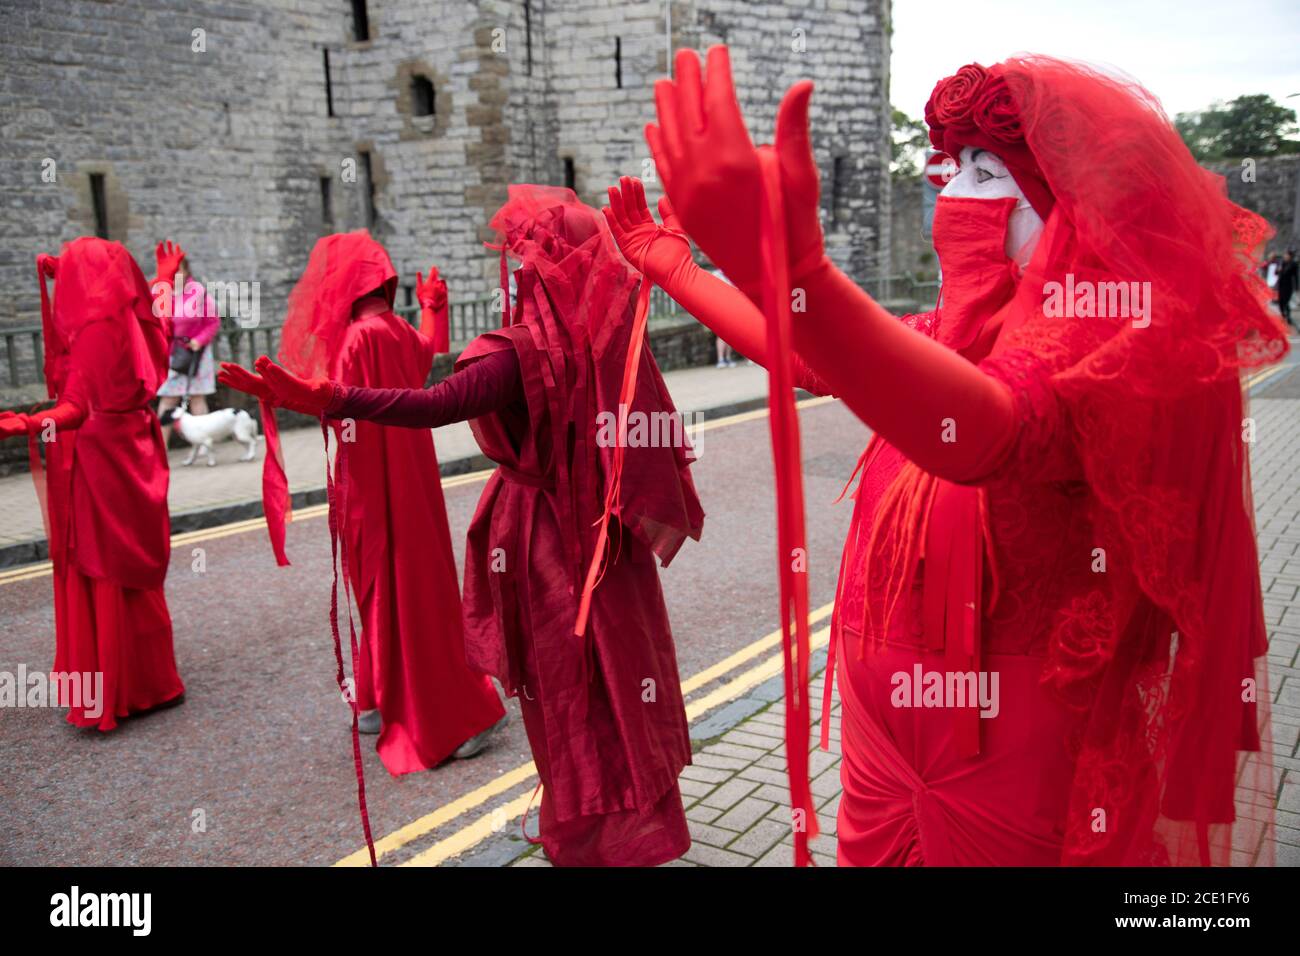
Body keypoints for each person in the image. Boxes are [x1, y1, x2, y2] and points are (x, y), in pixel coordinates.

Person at [641, 47, 1285, 866]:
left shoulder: (1112, 335)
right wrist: (679, 266)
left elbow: (990, 428)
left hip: (1010, 759)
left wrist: (803, 271)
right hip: (884, 747)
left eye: (985, 166)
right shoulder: (967, 325)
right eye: (952, 164)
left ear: (1066, 199)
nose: (951, 187)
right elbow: (816, 358)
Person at [223, 188, 705, 866]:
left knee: (568, 697)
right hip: (609, 541)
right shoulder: (614, 331)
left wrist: (330, 397)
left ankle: (590, 838)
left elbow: (434, 404)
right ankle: (629, 831)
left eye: (525, 255)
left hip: (546, 545)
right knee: (622, 681)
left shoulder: (517, 352)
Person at [221, 232, 505, 777]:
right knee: (417, 587)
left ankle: (453, 714)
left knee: (382, 583)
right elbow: (427, 354)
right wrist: (431, 309)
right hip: (411, 477)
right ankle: (386, 694)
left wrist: (283, 395)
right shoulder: (394, 328)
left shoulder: (356, 338)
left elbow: (335, 402)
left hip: (372, 482)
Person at [0, 239, 186, 730]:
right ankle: (147, 679)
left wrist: (27, 424)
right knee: (127, 569)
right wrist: (165, 277)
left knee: (103, 568)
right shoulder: (125, 316)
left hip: (96, 457)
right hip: (131, 447)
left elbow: (76, 406)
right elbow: (160, 327)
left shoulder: (93, 332)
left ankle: (122, 688)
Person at [156, 254, 220, 441]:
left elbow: (212, 321)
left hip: (194, 353)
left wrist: (198, 340)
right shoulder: (160, 292)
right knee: (168, 399)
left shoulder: (197, 292)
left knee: (197, 398)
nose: (176, 274)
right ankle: (162, 447)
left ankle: (203, 445)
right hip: (170, 355)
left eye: (179, 270)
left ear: (186, 271)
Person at [1277, 249, 1297, 328]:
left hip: (1288, 286)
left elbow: (1295, 276)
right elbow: (1277, 272)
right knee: (1280, 302)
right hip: (1281, 285)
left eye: (1286, 255)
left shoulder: (1293, 264)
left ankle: (1288, 317)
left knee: (1286, 302)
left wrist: (1297, 287)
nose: (1284, 256)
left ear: (1290, 256)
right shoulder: (1283, 263)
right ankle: (1283, 315)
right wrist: (1278, 270)